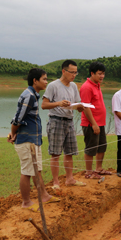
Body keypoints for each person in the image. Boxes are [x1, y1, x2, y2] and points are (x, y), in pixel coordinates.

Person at [8, 68, 59, 212]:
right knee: (27, 172)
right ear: (35, 80)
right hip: (26, 140)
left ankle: (44, 195)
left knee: (37, 170)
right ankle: (26, 202)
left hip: (33, 139)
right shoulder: (29, 96)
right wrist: (13, 133)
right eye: (44, 79)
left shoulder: (33, 95)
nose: (46, 82)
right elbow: (18, 118)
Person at [42, 60, 86, 190]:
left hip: (69, 121)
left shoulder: (73, 86)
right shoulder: (53, 86)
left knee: (70, 152)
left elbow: (77, 103)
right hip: (56, 121)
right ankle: (56, 182)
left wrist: (79, 107)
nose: (74, 75)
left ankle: (70, 179)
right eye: (71, 72)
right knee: (55, 153)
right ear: (63, 71)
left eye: (75, 72)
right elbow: (44, 105)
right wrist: (59, 103)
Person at [80, 62, 111, 179]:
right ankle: (88, 172)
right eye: (99, 74)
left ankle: (98, 168)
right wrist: (94, 124)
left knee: (102, 146)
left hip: (100, 123)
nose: (102, 76)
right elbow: (86, 107)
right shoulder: (86, 87)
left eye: (103, 73)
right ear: (92, 73)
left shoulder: (97, 85)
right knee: (91, 147)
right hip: (91, 124)